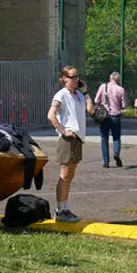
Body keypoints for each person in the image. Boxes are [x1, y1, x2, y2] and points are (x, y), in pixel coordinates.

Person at [47, 65, 93, 222]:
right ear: (64, 79)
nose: (76, 79)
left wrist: (86, 93)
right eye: (72, 77)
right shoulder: (61, 95)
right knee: (64, 174)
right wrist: (63, 130)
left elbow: (91, 110)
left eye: (77, 76)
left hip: (78, 138)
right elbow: (51, 115)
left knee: (70, 174)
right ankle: (60, 210)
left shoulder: (79, 95)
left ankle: (65, 207)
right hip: (68, 139)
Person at [95, 71, 127, 168]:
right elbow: (124, 105)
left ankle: (106, 162)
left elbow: (96, 100)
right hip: (115, 116)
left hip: (104, 116)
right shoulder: (121, 89)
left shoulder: (103, 87)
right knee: (116, 137)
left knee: (104, 138)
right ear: (118, 80)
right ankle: (116, 153)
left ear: (110, 78)